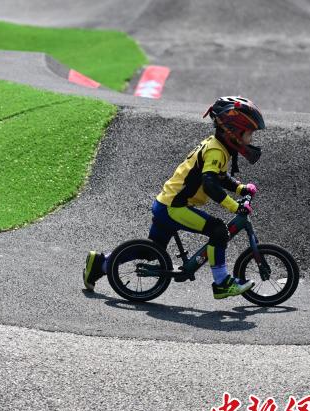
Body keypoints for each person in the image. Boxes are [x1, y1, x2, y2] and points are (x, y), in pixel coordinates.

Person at [84, 96, 265, 299]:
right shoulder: (216, 150)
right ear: (233, 131)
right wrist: (234, 206)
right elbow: (210, 184)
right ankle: (222, 283)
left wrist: (241, 189)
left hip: (166, 203)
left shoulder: (217, 146)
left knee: (150, 252)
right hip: (175, 207)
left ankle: (100, 263)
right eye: (249, 133)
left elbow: (219, 177)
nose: (251, 139)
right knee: (218, 231)